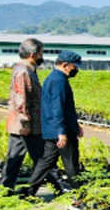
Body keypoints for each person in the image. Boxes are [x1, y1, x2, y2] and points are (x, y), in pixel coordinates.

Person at [1, 38, 64, 191]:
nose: (42, 57)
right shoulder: (23, 71)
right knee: (44, 158)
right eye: (40, 53)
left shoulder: (27, 70)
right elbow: (20, 97)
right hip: (27, 126)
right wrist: (25, 122)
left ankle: (6, 190)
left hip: (23, 125)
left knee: (15, 160)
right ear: (32, 54)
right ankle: (59, 190)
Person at [24, 51, 84, 195]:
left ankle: (28, 192)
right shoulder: (59, 81)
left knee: (46, 163)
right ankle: (81, 195)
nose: (76, 69)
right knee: (71, 164)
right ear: (65, 65)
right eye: (74, 66)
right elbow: (58, 107)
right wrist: (62, 132)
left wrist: (75, 125)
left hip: (52, 129)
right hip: (60, 130)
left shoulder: (52, 78)